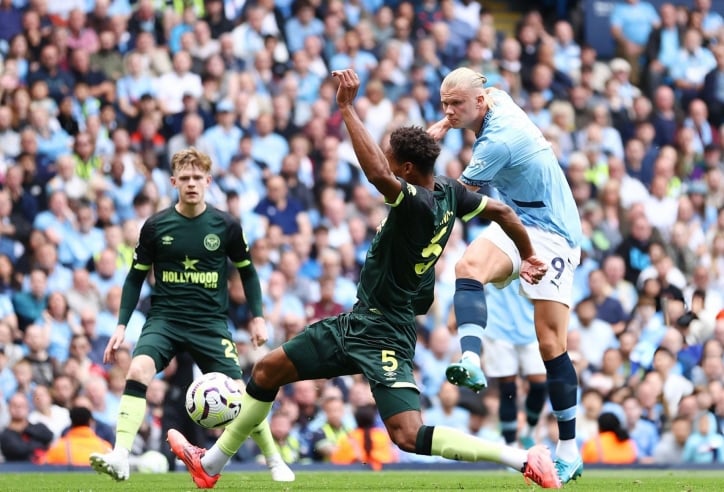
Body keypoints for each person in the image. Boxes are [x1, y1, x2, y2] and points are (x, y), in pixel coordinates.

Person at [167, 68, 560, 489]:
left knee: (407, 435)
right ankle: (210, 465)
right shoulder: (448, 192)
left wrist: (346, 108)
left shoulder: (417, 206)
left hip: (385, 331)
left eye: (394, 165)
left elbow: (377, 174)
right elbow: (500, 211)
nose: (387, 168)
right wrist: (529, 254)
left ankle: (523, 458)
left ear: (405, 172)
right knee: (266, 371)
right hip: (360, 321)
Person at [88, 147, 294, 482]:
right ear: (173, 182)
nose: (192, 183)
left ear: (208, 180)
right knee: (138, 369)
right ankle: (120, 456)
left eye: (198, 177)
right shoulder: (156, 226)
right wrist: (121, 325)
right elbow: (134, 276)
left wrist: (257, 316)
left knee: (243, 394)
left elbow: (249, 273)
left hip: (210, 323)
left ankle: (274, 460)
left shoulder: (225, 225)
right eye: (185, 178)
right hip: (165, 319)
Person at [427, 66, 584, 484]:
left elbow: (454, 202)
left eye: (455, 104)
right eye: (444, 103)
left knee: (551, 343)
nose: (449, 110)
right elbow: (482, 85)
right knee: (468, 267)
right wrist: (446, 121)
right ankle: (471, 359)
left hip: (553, 232)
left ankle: (569, 447)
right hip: (518, 218)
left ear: (479, 103)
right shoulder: (493, 97)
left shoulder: (497, 141)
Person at [482, 278, 547, 449]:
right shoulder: (494, 252)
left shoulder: (537, 252)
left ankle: (530, 429)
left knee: (540, 385)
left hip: (531, 326)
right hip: (498, 326)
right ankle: (509, 443)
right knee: (508, 389)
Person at [44, 406, 112, 467]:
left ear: (71, 422)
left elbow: (43, 465)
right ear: (90, 422)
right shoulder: (106, 447)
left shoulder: (58, 447)